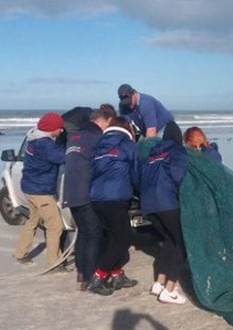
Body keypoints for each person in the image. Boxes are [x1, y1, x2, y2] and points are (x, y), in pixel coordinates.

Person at [62, 104, 115, 290]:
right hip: (86, 192)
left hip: (71, 193)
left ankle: (81, 272)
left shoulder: (74, 137)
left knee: (84, 233)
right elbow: (101, 165)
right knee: (94, 234)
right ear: (102, 122)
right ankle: (91, 277)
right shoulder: (96, 138)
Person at [87, 114, 140, 295]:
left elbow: (92, 172)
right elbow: (135, 172)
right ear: (127, 129)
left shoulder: (98, 146)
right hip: (116, 198)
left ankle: (117, 274)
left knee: (113, 238)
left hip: (96, 198)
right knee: (124, 239)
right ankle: (98, 277)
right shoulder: (127, 146)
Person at [140, 125, 189, 305]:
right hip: (166, 202)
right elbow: (178, 176)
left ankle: (159, 283)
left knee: (169, 240)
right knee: (181, 244)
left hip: (148, 205)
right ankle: (169, 290)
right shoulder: (177, 152)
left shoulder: (152, 155)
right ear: (179, 138)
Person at [13, 112, 66, 269]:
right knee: (55, 225)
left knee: (33, 220)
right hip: (40, 191)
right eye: (59, 128)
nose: (62, 131)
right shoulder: (45, 144)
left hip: (29, 187)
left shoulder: (33, 138)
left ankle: (20, 253)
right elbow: (63, 158)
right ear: (51, 129)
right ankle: (54, 263)